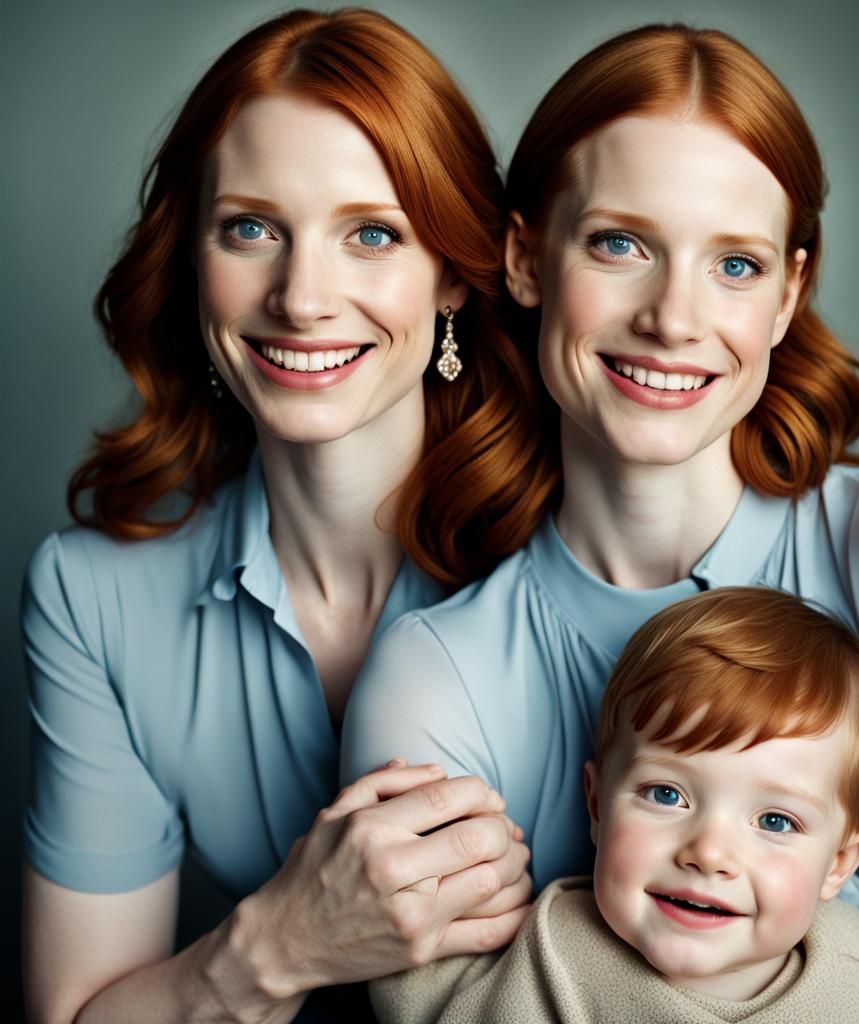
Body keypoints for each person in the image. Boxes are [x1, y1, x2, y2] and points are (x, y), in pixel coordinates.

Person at [341, 22, 859, 1024]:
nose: (673, 316)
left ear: (789, 294)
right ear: (527, 260)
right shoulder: (436, 676)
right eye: (620, 244)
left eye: (734, 266)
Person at [20, 9, 558, 1022]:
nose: (303, 296)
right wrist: (280, 943)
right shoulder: (94, 598)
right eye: (252, 228)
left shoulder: (581, 549)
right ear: (192, 258)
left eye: (371, 233)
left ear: (452, 270)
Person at [369, 588, 859, 1023]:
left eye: (774, 821)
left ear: (840, 862)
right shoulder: (543, 954)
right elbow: (410, 974)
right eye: (667, 794)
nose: (709, 854)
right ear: (596, 805)